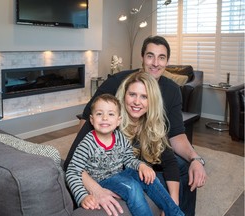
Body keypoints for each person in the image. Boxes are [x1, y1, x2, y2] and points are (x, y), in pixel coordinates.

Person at [64, 35, 207, 216]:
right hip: (114, 161)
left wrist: (195, 159)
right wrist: (93, 142)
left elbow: (174, 138)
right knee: (134, 185)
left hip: (144, 151)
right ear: (142, 57)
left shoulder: (168, 95)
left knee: (182, 167)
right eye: (150, 56)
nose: (155, 63)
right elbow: (88, 118)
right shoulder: (116, 90)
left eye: (161, 57)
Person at [66, 93, 184, 216]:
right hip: (102, 181)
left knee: (150, 179)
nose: (105, 118)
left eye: (111, 114)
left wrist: (141, 166)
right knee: (132, 187)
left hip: (121, 174)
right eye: (99, 114)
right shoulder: (87, 143)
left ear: (118, 120)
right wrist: (82, 196)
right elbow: (72, 171)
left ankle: (176, 214)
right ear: (92, 119)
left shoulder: (120, 137)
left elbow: (128, 159)